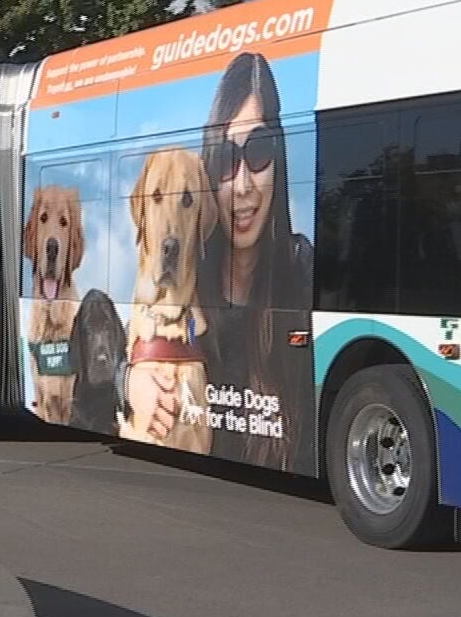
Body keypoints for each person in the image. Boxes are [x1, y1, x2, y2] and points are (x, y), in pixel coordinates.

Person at [124, 51, 317, 473]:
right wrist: (133, 378)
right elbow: (136, 331)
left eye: (260, 150)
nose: (243, 185)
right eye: (227, 160)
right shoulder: (185, 288)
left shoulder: (304, 272)